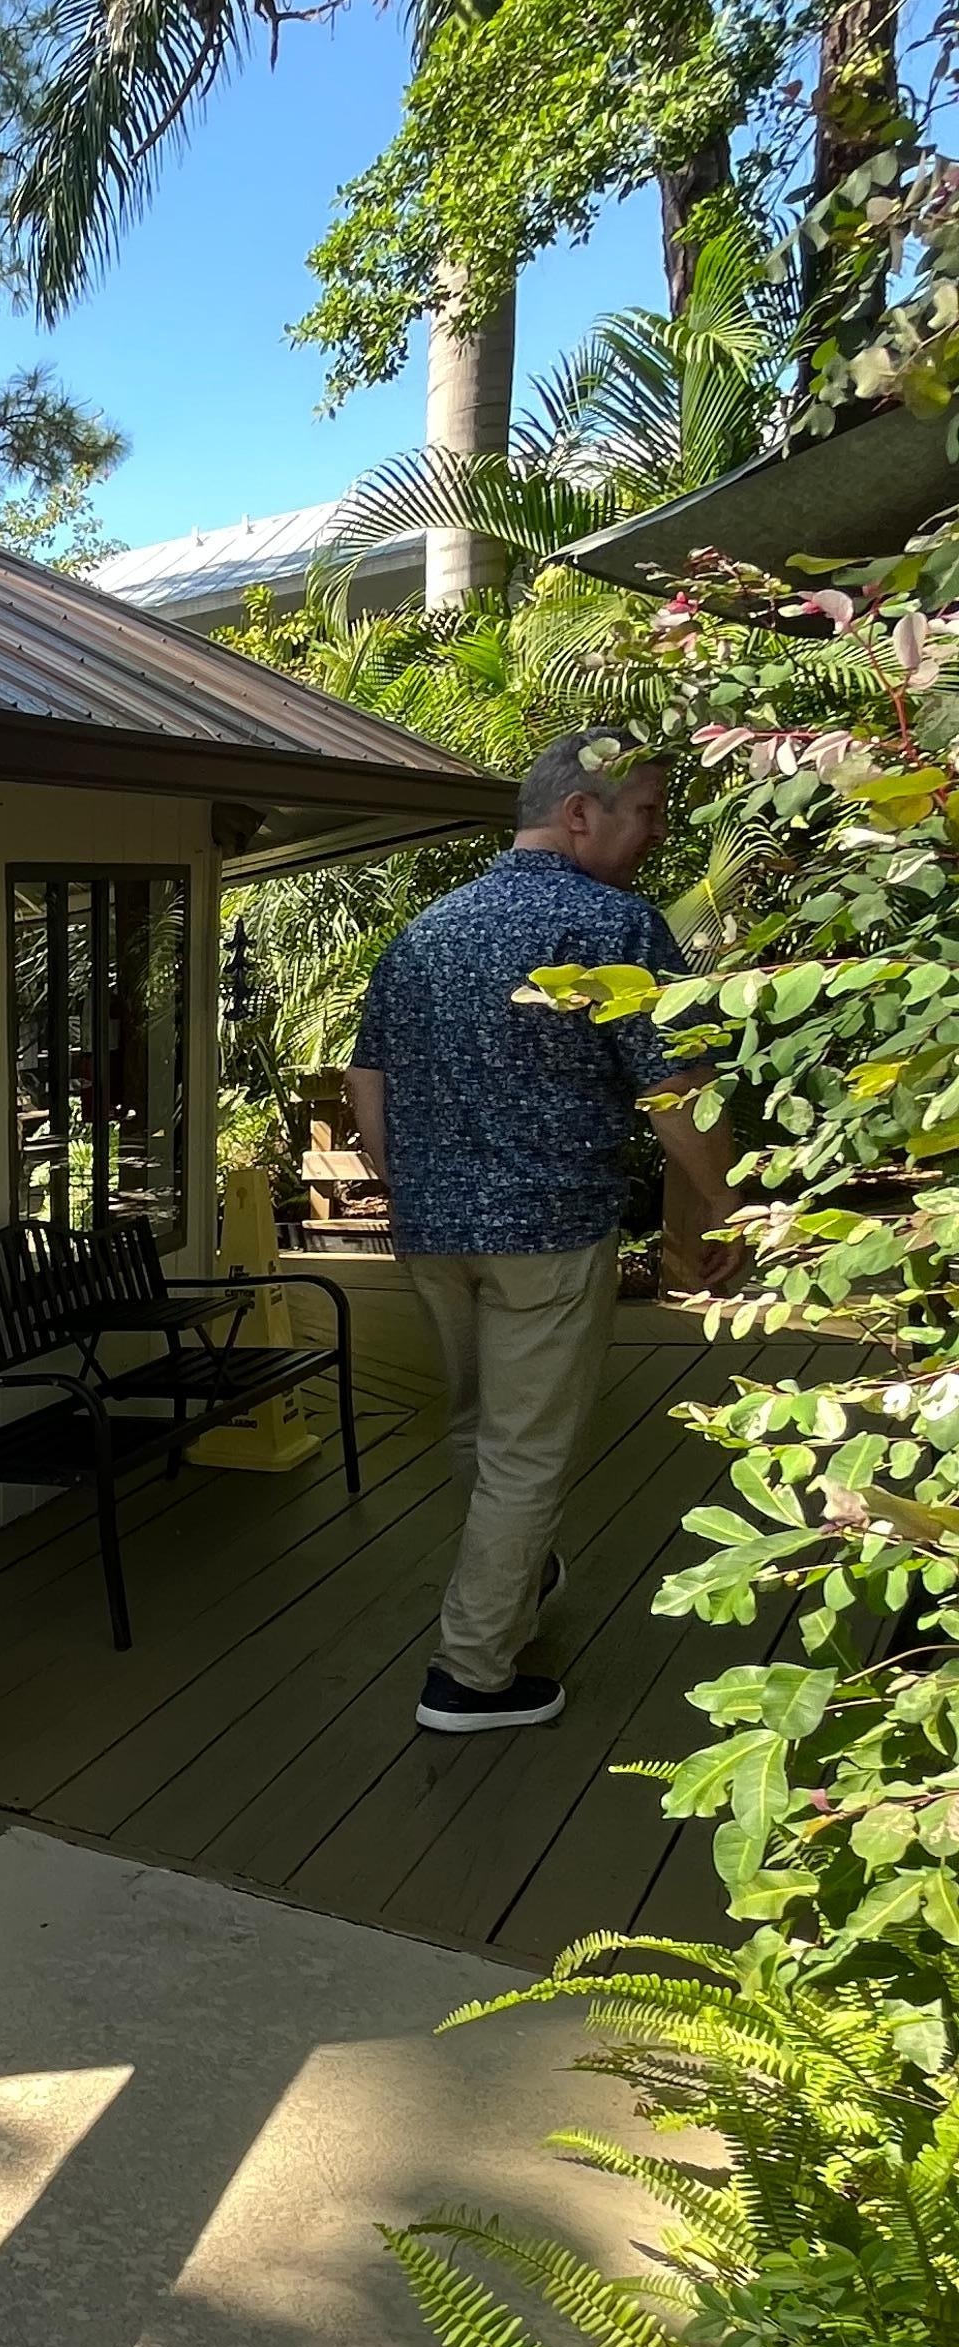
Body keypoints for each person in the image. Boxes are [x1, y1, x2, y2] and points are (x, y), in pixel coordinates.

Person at [348, 734, 735, 1736]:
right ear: (579, 815)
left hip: (434, 1236)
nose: (656, 833)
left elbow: (366, 1077)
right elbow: (677, 1092)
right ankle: (471, 1677)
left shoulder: (426, 931)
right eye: (644, 811)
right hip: (549, 1235)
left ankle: (510, 1580)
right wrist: (732, 1214)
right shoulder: (615, 924)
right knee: (525, 1458)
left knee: (480, 1426)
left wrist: (410, 1181)